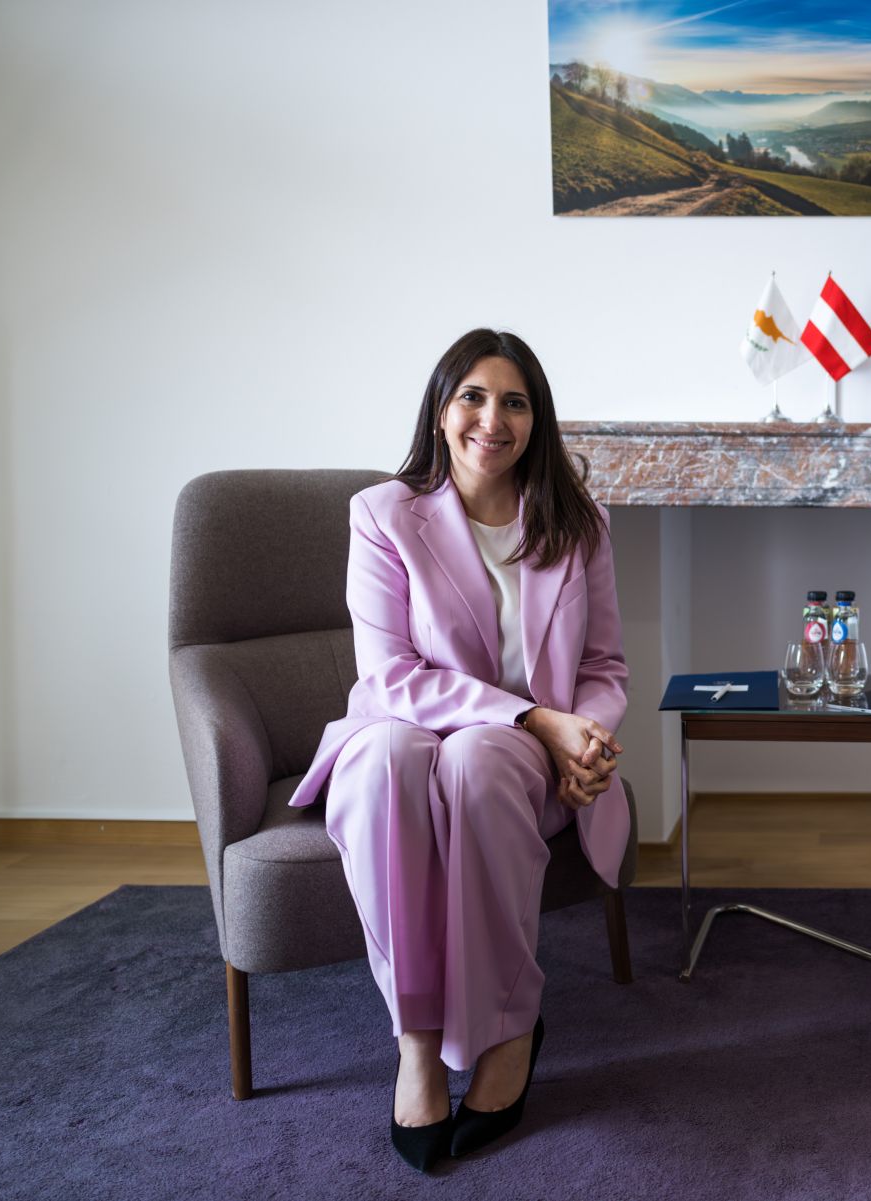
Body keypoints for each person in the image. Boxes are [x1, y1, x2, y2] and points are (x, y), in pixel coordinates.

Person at [287, 328, 632, 1168]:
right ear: (441, 412)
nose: (493, 417)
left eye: (515, 401)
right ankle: (419, 1040)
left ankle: (511, 1029)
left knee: (477, 760)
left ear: (536, 421)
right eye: (473, 396)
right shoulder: (383, 516)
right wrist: (534, 715)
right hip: (408, 731)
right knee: (381, 763)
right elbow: (392, 674)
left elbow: (603, 667)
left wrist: (582, 730)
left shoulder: (578, 523)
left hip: (519, 760)